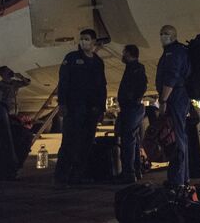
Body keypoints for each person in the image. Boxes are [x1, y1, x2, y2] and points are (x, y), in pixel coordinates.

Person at [54, 29, 107, 185]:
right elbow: (63, 82)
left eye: (87, 39)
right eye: (82, 39)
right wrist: (62, 103)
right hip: (74, 107)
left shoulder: (98, 62)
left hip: (91, 109)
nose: (83, 41)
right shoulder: (71, 58)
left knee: (86, 143)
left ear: (93, 42)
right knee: (69, 142)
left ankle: (78, 175)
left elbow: (102, 86)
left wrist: (101, 108)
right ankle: (61, 177)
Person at [156, 25, 191, 188]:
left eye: (167, 34)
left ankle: (177, 180)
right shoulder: (175, 51)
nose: (163, 36)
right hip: (178, 96)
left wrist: (163, 100)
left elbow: (171, 76)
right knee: (179, 137)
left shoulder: (173, 52)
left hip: (175, 97)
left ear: (175, 35)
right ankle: (182, 177)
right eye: (162, 34)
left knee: (176, 138)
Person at [116, 45, 147, 184]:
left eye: (124, 52)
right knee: (133, 141)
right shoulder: (134, 68)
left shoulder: (135, 68)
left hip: (131, 108)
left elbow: (141, 86)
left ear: (129, 54)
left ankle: (129, 173)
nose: (122, 55)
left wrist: (131, 98)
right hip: (132, 107)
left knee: (128, 141)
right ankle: (136, 170)